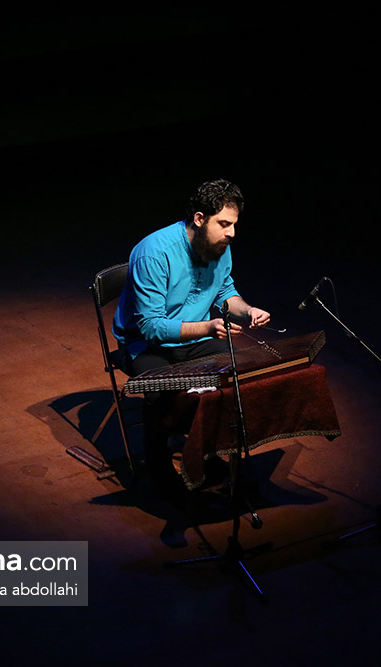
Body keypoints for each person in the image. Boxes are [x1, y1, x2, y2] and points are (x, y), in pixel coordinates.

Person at [113, 178, 271, 487]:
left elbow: (225, 293)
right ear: (199, 219)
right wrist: (209, 326)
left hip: (196, 340)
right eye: (224, 224)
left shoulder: (219, 247)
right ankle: (158, 465)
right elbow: (151, 327)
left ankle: (206, 453)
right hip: (145, 345)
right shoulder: (154, 253)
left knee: (234, 374)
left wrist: (248, 310)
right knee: (163, 390)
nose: (232, 232)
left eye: (234, 224)